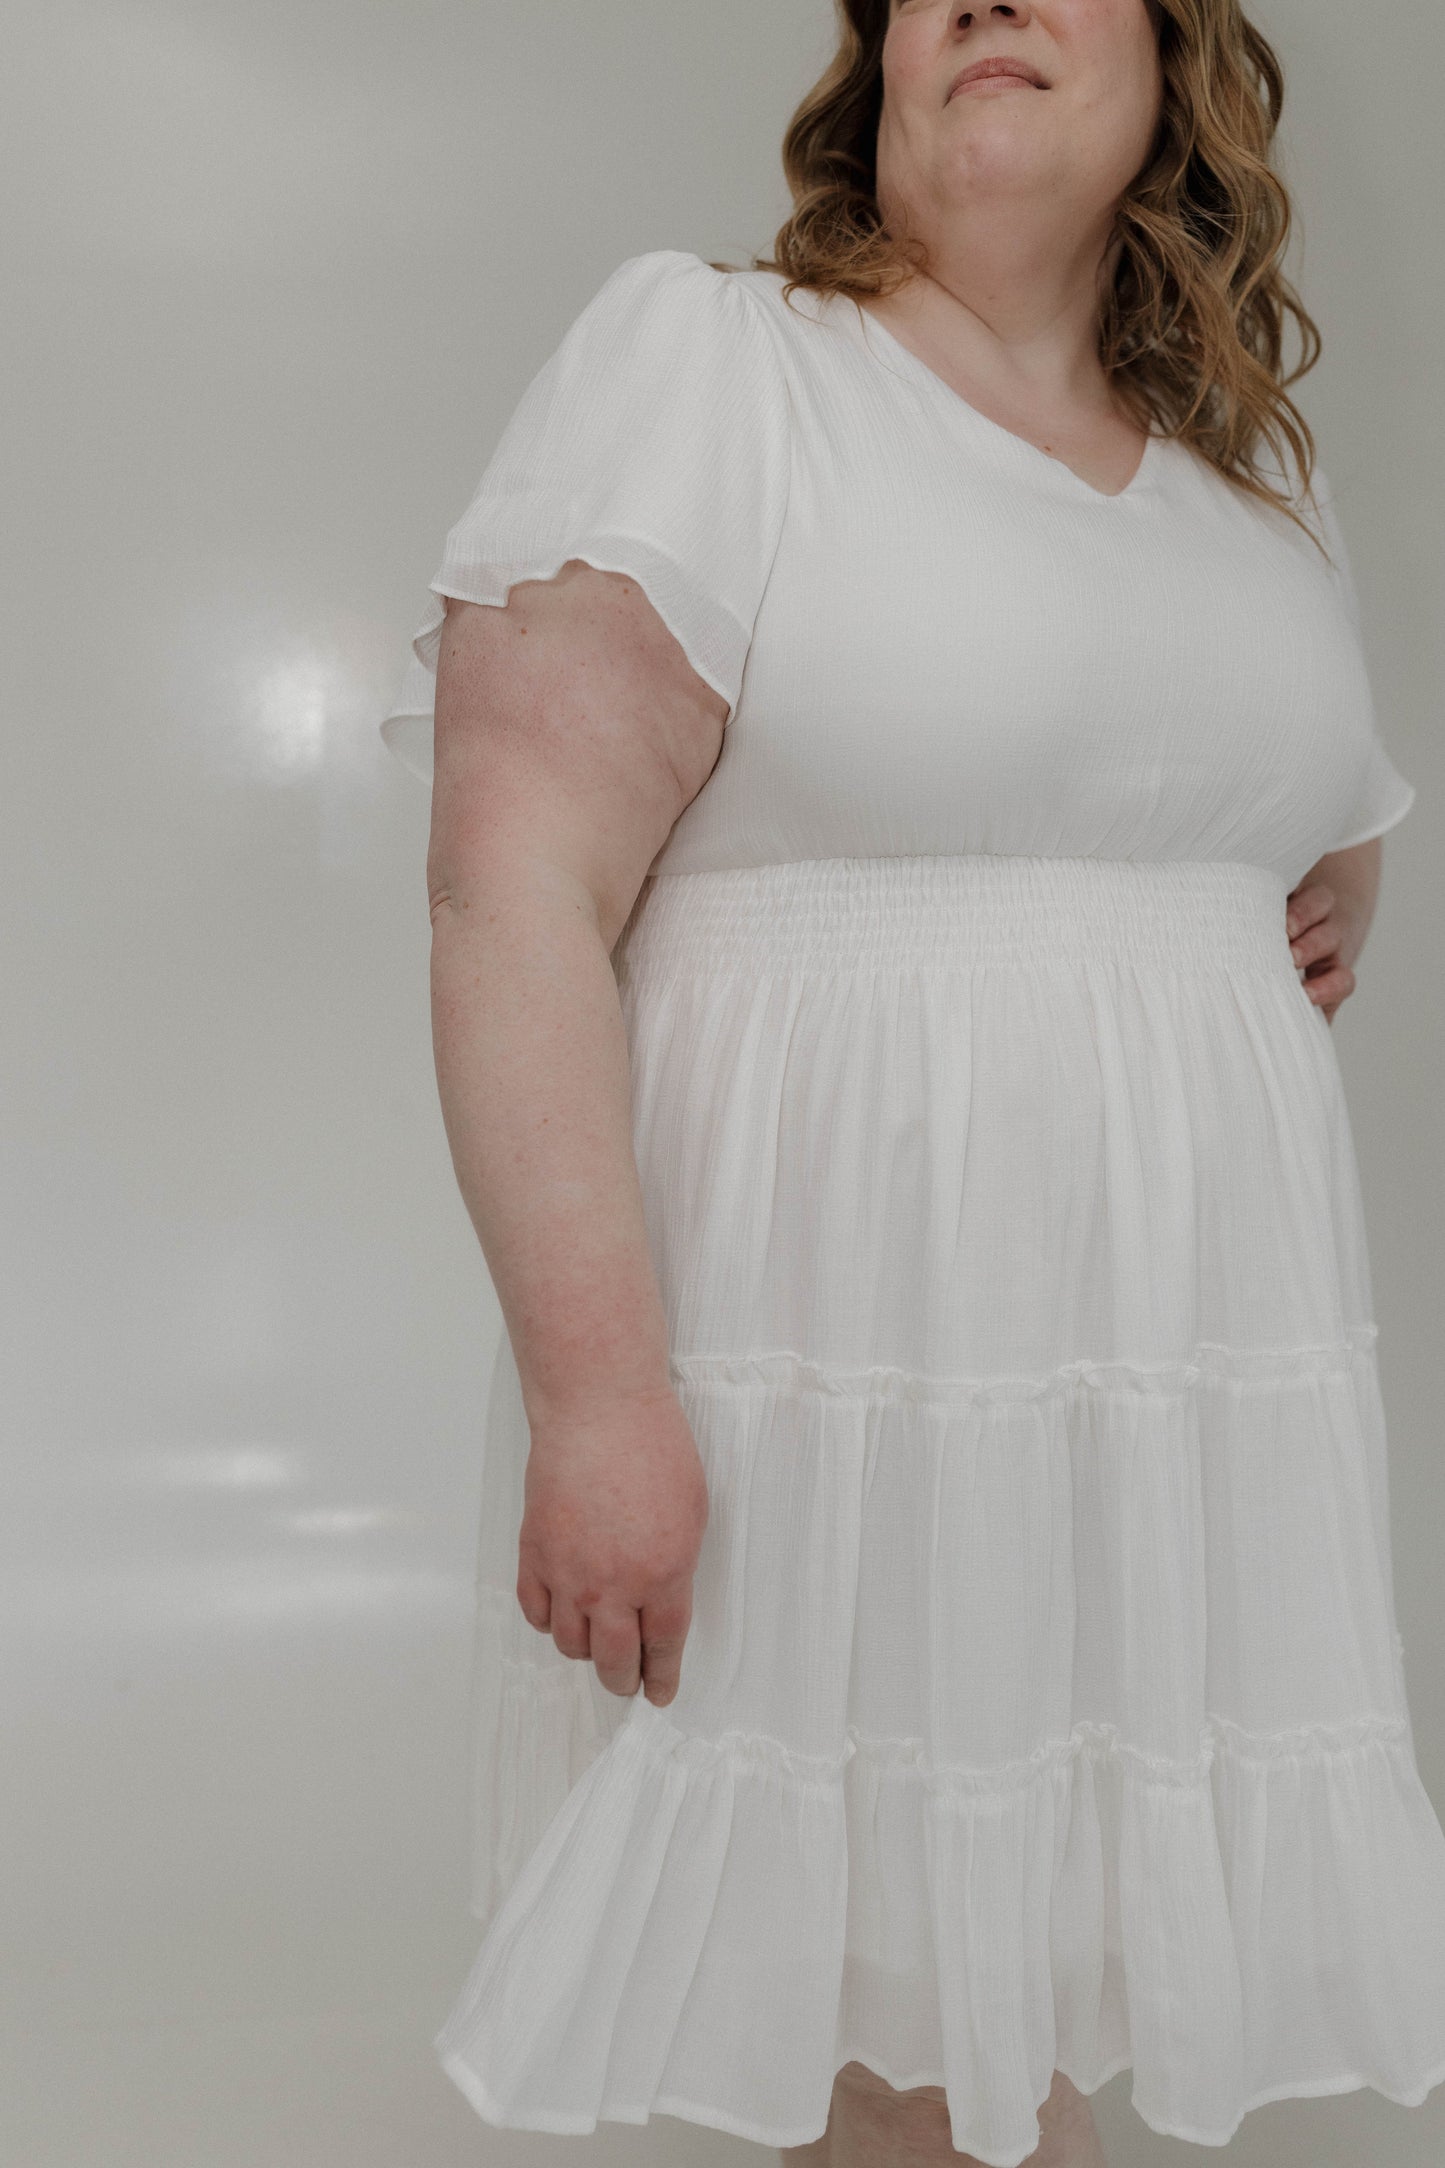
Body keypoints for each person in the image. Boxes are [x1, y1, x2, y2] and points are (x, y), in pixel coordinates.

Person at [378, 2, 1445, 2163]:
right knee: (882, 1993)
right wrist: (599, 1398)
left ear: (1177, 65)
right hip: (837, 1330)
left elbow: (1320, 813)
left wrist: (1262, 918)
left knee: (1021, 1977)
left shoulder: (1248, 460)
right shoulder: (722, 368)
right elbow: (511, 888)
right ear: (875, 74)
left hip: (1159, 1355)